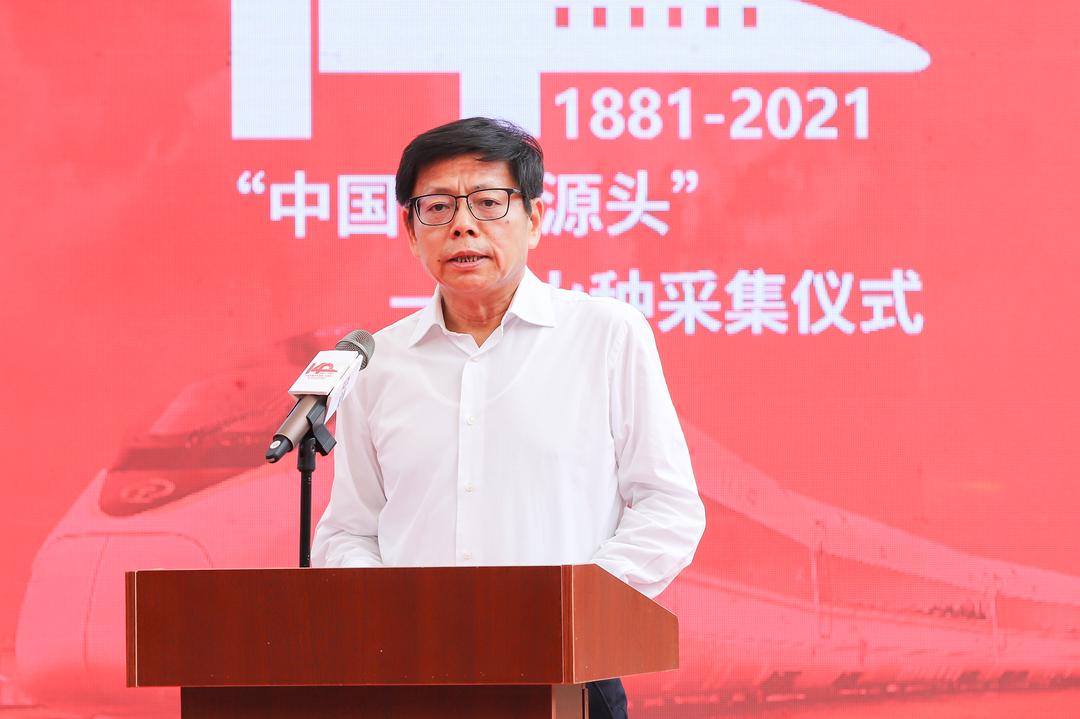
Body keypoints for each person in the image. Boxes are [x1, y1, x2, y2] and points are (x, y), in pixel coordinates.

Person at [312, 117, 705, 719]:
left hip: (569, 669)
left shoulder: (605, 333)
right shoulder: (375, 361)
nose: (463, 224)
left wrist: (574, 606)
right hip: (410, 674)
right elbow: (349, 532)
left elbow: (668, 506)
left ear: (535, 219)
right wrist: (389, 610)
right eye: (437, 207)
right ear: (410, 231)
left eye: (489, 203)